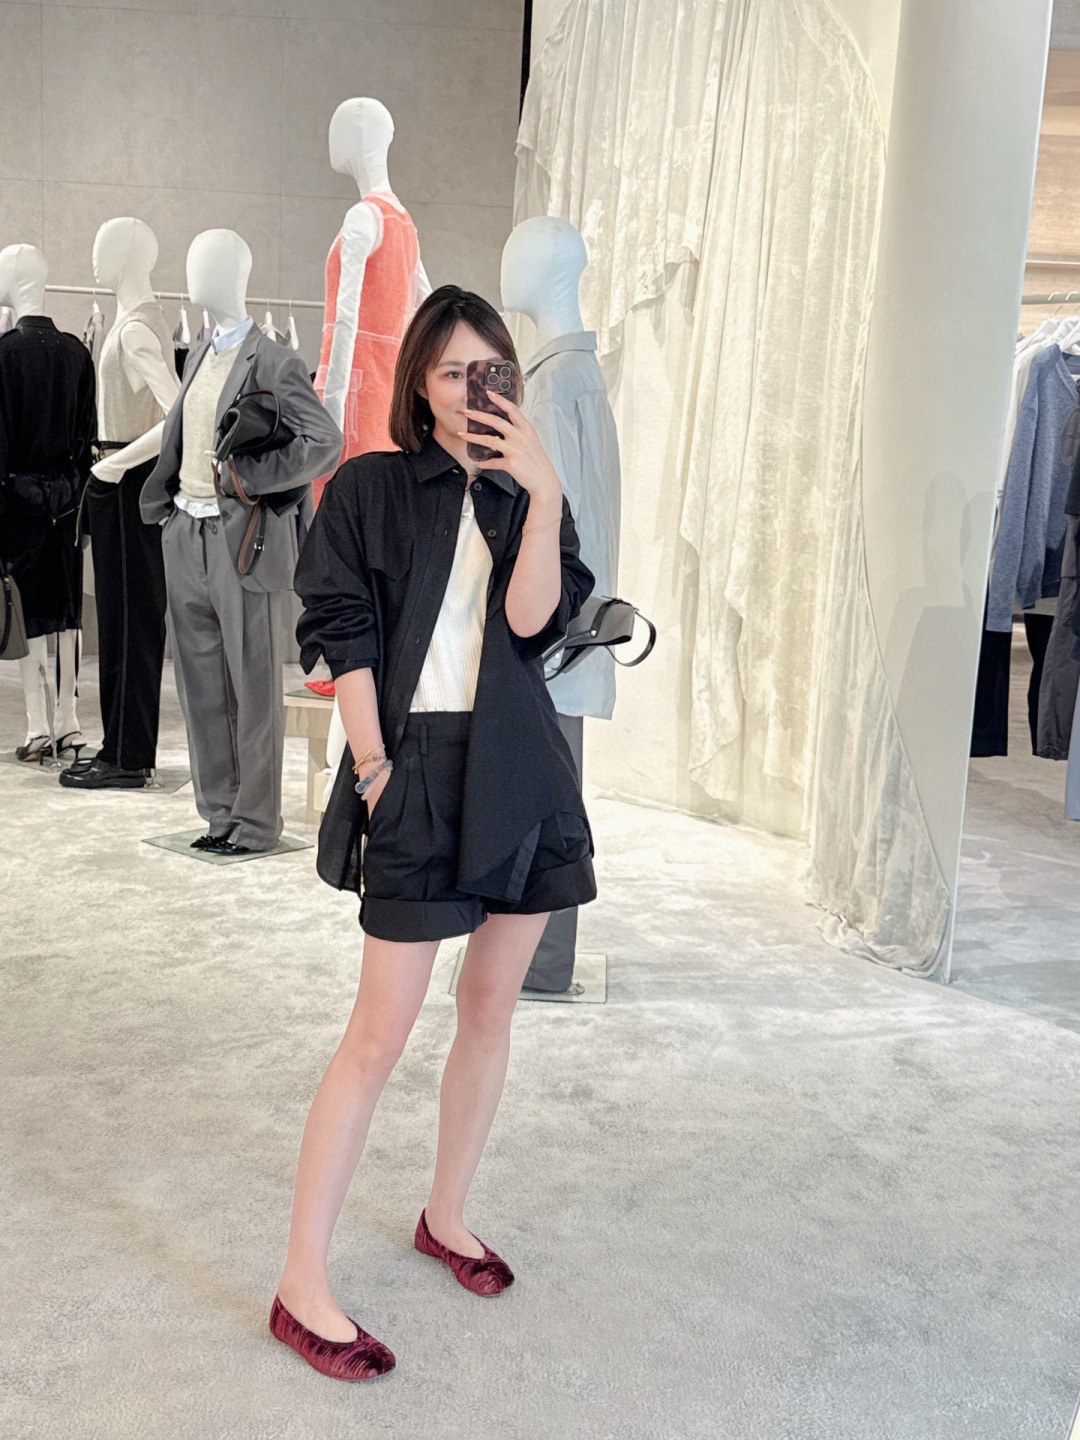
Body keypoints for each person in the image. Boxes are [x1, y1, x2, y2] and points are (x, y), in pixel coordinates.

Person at [271, 285, 598, 1382]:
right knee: (378, 1035)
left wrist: (542, 496)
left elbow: (532, 625)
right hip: (412, 767)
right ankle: (300, 1283)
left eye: (490, 372)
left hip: (521, 768)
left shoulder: (526, 494)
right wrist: (373, 770)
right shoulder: (370, 488)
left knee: (491, 1006)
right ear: (418, 379)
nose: (471, 391)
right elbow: (344, 632)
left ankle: (445, 1214)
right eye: (453, 371)